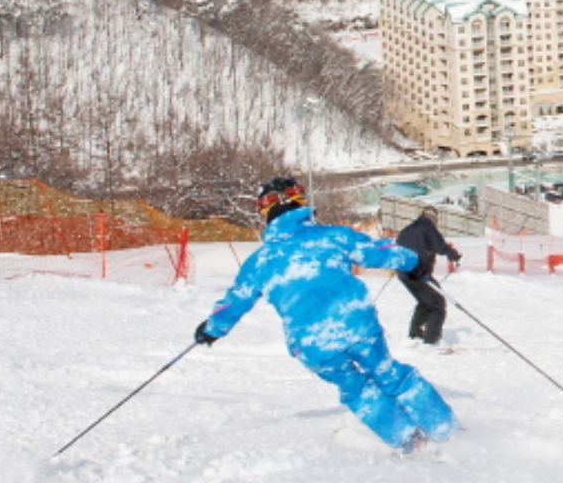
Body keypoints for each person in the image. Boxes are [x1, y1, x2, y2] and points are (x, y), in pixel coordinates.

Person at [193, 177, 456, 454]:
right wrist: (413, 262)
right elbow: (378, 252)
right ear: (301, 204)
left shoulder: (261, 260)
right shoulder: (334, 237)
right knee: (390, 374)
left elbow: (236, 300)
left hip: (312, 344)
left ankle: (408, 441)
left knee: (355, 389)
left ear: (265, 213)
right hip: (356, 325)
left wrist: (212, 329)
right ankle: (444, 430)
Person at [396, 206, 462, 346]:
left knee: (426, 301)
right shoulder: (428, 227)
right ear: (434, 217)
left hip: (404, 272)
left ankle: (415, 335)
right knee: (437, 303)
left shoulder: (407, 229)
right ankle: (431, 340)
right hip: (418, 272)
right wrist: (453, 254)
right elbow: (439, 246)